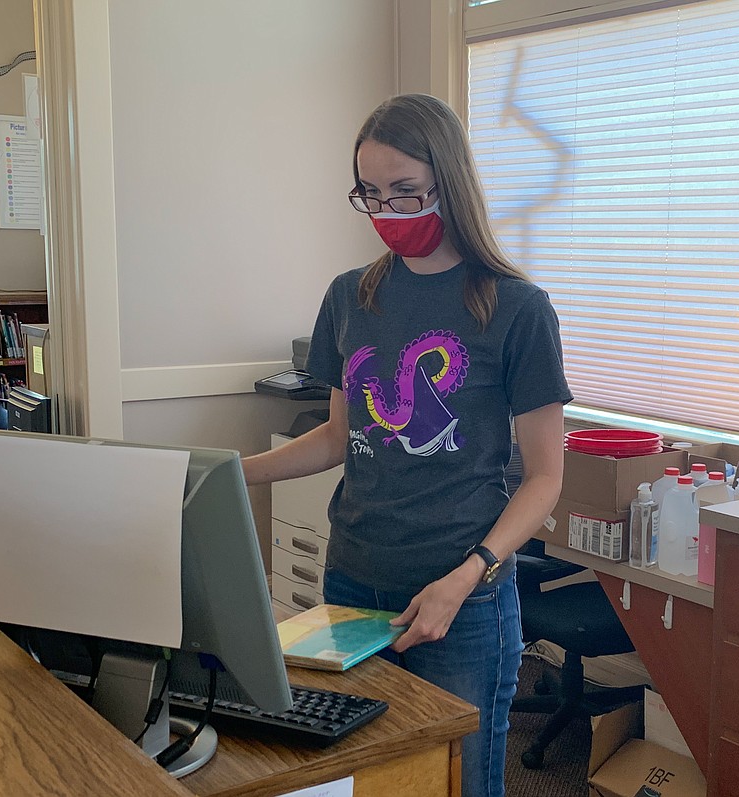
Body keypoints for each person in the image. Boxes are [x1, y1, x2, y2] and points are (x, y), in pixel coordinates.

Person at [242, 93, 572, 797]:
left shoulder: (517, 307)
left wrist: (468, 575)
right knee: (366, 778)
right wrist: (232, 474)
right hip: (353, 579)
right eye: (370, 194)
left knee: (460, 782)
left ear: (447, 182)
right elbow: (337, 437)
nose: (388, 212)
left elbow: (544, 478)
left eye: (405, 192)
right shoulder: (349, 296)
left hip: (462, 596)